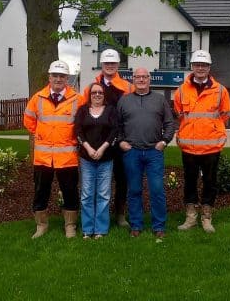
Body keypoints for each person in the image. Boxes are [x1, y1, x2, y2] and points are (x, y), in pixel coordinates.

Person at [24, 60, 84, 239]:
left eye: (62, 76)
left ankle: (70, 226)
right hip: (43, 157)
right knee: (41, 191)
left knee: (70, 191)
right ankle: (41, 226)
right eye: (55, 76)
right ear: (49, 77)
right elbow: (28, 120)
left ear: (67, 78)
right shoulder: (38, 98)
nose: (58, 79)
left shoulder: (78, 99)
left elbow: (83, 124)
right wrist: (41, 134)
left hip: (67, 157)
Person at [174, 50, 230, 233]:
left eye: (204, 65)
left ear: (209, 68)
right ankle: (191, 218)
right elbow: (179, 115)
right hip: (189, 147)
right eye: (197, 65)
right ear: (192, 67)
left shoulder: (220, 90)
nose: (200, 68)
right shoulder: (181, 90)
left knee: (210, 182)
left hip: (211, 147)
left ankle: (207, 218)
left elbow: (225, 115)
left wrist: (211, 129)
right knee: (189, 182)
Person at [117, 67, 175, 238]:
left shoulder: (160, 100)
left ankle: (159, 227)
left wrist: (164, 141)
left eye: (144, 77)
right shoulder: (124, 100)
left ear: (150, 79)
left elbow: (170, 123)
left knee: (157, 189)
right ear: (133, 79)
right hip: (132, 152)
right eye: (137, 77)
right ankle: (136, 225)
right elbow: (117, 125)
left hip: (153, 152)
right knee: (134, 189)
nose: (141, 80)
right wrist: (121, 142)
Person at [83, 48, 134, 227]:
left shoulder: (128, 87)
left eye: (113, 63)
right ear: (102, 65)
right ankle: (96, 215)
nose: (110, 66)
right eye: (107, 63)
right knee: (96, 180)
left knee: (122, 178)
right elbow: (84, 113)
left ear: (118, 65)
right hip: (97, 141)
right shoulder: (91, 87)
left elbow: (132, 114)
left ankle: (120, 214)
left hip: (120, 140)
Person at [75, 82, 118, 239]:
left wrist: (102, 149)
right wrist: (88, 148)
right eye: (94, 92)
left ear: (104, 95)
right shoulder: (82, 111)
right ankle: (87, 229)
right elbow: (78, 131)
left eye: (100, 92)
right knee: (86, 194)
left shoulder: (111, 111)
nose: (97, 95)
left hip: (106, 158)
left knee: (103, 194)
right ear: (90, 95)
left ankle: (100, 229)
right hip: (87, 158)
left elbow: (115, 131)